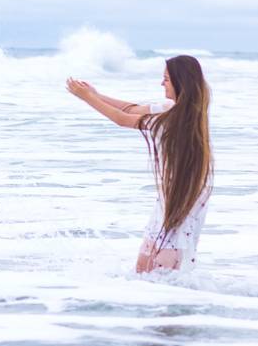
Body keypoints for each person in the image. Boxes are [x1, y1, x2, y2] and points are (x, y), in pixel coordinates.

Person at [66, 55, 213, 272]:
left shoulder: (172, 119)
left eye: (166, 79)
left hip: (182, 190)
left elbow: (122, 119)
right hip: (178, 187)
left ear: (179, 82)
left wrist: (86, 97)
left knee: (164, 252)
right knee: (145, 262)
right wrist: (97, 95)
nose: (161, 83)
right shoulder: (173, 107)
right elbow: (131, 109)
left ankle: (170, 296)